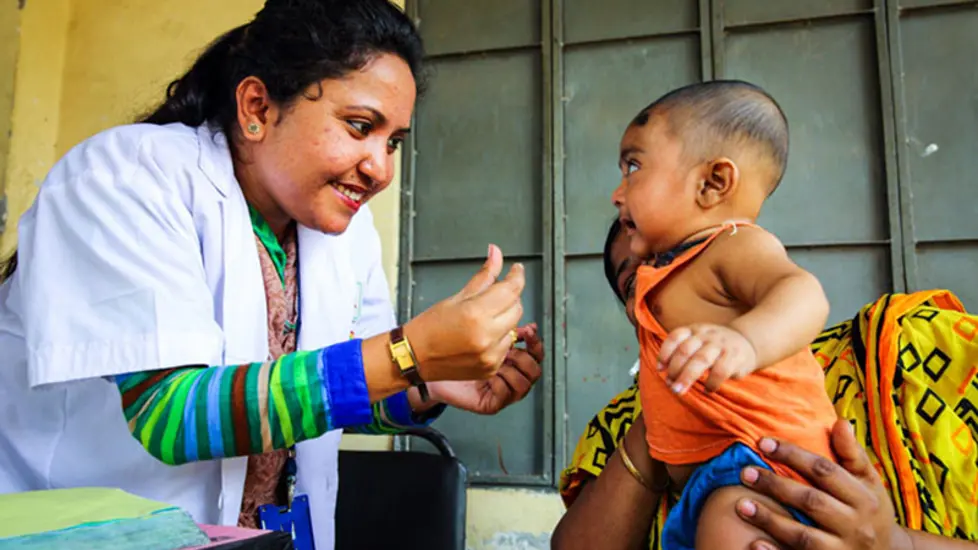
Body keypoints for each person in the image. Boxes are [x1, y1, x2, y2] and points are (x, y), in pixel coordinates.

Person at [0, 2, 543, 549]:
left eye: (393, 141)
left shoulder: (342, 232)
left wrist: (426, 382)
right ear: (257, 106)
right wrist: (407, 354)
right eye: (360, 127)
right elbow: (171, 415)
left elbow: (332, 401)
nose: (381, 169)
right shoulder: (128, 177)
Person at [554, 209, 978, 546]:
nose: (655, 282)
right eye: (634, 284)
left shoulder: (914, 348)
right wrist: (671, 412)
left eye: (672, 256)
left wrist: (895, 545)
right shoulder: (620, 425)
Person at [612, 80, 838, 549]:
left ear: (713, 183)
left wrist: (746, 342)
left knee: (732, 521)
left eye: (634, 166)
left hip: (764, 468)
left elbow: (803, 292)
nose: (618, 193)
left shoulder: (733, 244)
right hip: (708, 482)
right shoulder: (669, 268)